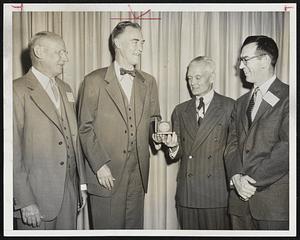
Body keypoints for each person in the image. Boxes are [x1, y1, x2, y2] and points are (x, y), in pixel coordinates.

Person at [77, 21, 160, 229]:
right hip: (106, 175)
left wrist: (160, 136)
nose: (140, 47)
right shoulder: (94, 80)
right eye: (135, 41)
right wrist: (99, 165)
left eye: (142, 42)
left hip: (138, 175)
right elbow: (84, 127)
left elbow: (154, 121)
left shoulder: (149, 82)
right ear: (117, 43)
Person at [13, 31, 87, 230]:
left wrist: (81, 187)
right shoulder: (15, 90)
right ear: (39, 52)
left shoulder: (66, 89)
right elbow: (10, 153)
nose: (66, 58)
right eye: (60, 52)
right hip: (35, 201)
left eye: (66, 53)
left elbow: (74, 139)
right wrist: (25, 201)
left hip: (69, 197)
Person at [153, 56, 234, 229]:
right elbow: (175, 155)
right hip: (187, 194)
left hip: (216, 195)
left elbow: (234, 152)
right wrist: (173, 147)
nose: (192, 83)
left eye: (198, 77)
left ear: (211, 77)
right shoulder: (180, 110)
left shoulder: (230, 107)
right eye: (189, 78)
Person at [224, 35, 289, 230]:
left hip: (273, 205)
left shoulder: (289, 97)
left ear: (265, 60)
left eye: (245, 60)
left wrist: (250, 181)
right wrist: (236, 176)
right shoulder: (241, 103)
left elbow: (287, 147)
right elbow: (231, 144)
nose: (240, 66)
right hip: (239, 204)